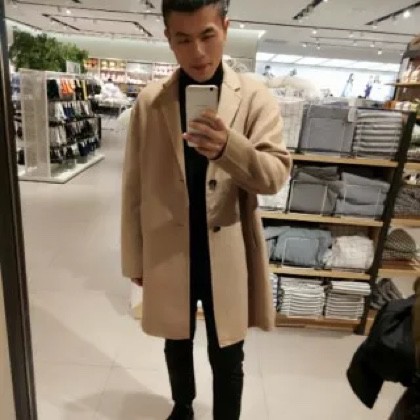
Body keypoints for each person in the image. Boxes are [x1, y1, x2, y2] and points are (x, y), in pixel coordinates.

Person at [121, 1, 291, 419]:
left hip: (227, 249)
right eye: (183, 39)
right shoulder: (151, 101)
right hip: (168, 248)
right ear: (168, 39)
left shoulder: (254, 98)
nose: (197, 52)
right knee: (175, 340)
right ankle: (182, 407)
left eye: (207, 36)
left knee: (227, 350)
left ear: (226, 29)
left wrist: (229, 148)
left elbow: (274, 175)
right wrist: (134, 258)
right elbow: (134, 186)